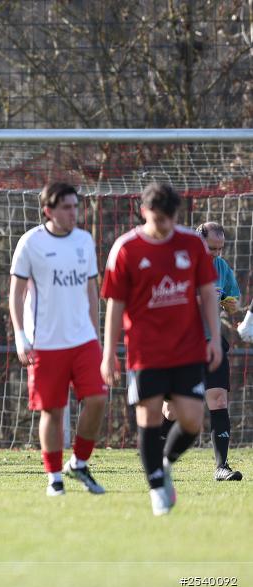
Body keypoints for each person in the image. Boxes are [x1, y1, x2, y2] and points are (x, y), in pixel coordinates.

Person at [101, 183, 221, 516]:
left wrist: (213, 338)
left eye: (169, 218)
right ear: (144, 212)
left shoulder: (191, 244)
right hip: (145, 351)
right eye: (157, 218)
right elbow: (115, 304)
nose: (164, 224)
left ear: (176, 214)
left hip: (188, 348)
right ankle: (156, 490)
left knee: (193, 420)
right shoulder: (126, 248)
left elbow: (209, 292)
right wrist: (108, 352)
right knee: (149, 417)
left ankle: (164, 463)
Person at [9, 183, 108, 497]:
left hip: (83, 340)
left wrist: (97, 336)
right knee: (52, 410)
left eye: (75, 206)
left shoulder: (84, 240)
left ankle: (78, 462)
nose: (73, 213)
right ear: (49, 210)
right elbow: (16, 293)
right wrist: (20, 335)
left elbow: (92, 290)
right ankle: (54, 477)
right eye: (66, 207)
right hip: (45, 343)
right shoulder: (30, 243)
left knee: (97, 399)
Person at [161, 222, 242, 481]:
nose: (216, 254)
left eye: (220, 249)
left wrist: (231, 305)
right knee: (172, 410)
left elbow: (233, 299)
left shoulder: (222, 268)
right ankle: (159, 457)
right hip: (181, 344)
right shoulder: (180, 265)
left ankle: (221, 466)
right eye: (211, 248)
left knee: (218, 399)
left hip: (212, 343)